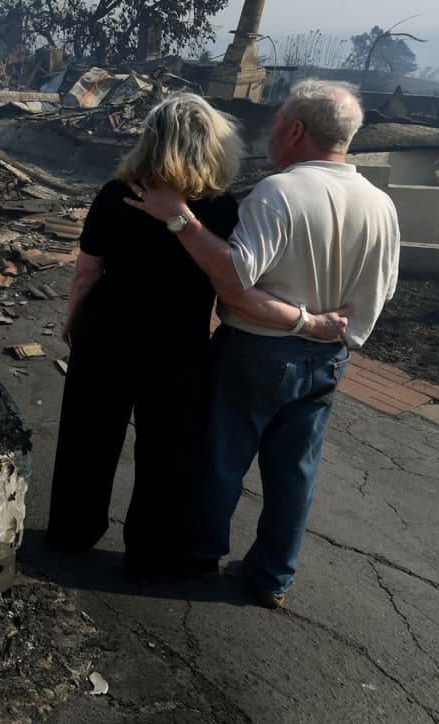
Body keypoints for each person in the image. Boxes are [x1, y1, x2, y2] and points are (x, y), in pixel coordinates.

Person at [47, 93, 346, 582]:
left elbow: (86, 272)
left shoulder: (115, 192)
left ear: (151, 138)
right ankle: (150, 556)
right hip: (177, 344)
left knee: (88, 438)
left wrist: (73, 318)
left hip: (106, 334)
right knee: (167, 453)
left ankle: (71, 532)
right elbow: (233, 279)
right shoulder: (223, 210)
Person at [127, 80, 400, 607]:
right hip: (328, 360)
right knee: (295, 473)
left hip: (256, 351)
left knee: (222, 460)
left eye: (277, 121)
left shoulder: (279, 192)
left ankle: (203, 557)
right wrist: (333, 329)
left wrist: (179, 218)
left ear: (296, 130)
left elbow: (234, 278)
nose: (270, 131)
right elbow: (380, 291)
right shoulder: (381, 204)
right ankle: (273, 577)